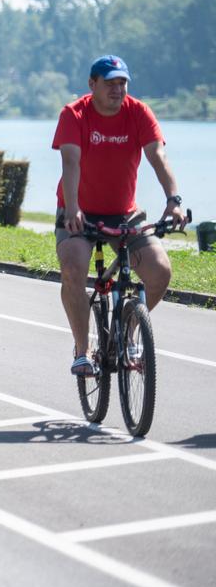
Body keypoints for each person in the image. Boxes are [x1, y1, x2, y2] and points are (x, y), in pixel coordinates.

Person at [53, 55, 186, 376]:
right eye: (110, 83)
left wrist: (174, 199)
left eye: (122, 83)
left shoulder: (138, 112)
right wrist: (72, 208)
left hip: (125, 213)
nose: (117, 89)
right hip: (78, 212)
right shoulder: (75, 114)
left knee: (159, 272)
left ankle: (127, 330)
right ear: (92, 84)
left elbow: (158, 155)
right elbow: (71, 161)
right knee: (73, 266)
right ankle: (83, 350)